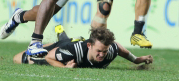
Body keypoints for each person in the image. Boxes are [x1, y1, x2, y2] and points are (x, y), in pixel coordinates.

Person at [13, 25, 153, 68]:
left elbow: (120, 49)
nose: (102, 55)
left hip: (75, 45)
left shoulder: (110, 50)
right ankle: (61, 33)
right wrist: (64, 68)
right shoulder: (75, 50)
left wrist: (137, 59)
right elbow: (50, 57)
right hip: (65, 47)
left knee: (68, 42)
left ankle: (64, 34)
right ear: (89, 45)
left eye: (104, 51)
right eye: (99, 51)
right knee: (18, 59)